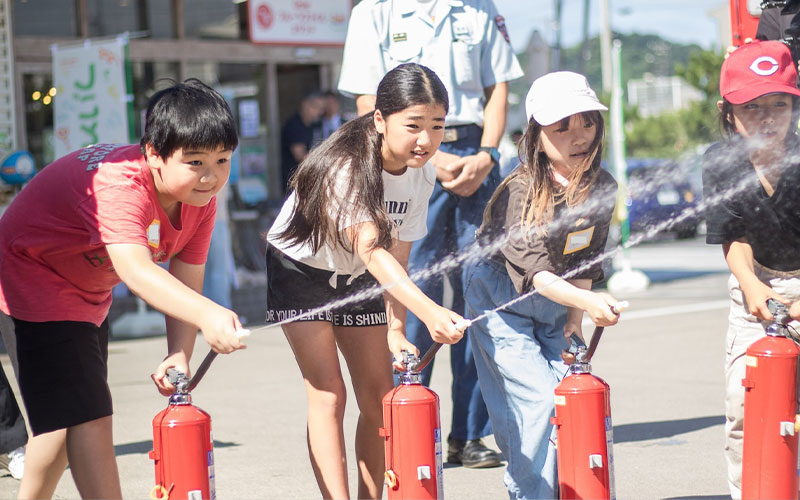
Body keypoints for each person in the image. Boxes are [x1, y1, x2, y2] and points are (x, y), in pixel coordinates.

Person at [0, 78, 246, 499]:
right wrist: (209, 314)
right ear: (153, 153)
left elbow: (186, 271)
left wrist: (179, 353)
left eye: (222, 161)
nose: (210, 177)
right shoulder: (120, 184)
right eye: (195, 162)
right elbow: (136, 271)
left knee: (63, 427)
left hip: (88, 290)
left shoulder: (201, 200)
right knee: (91, 416)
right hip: (33, 274)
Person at [337, 0, 524, 468]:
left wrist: (486, 154)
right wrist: (429, 153)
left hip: (476, 157)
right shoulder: (373, 13)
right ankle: (412, 419)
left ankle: (473, 433)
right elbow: (367, 101)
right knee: (410, 286)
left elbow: (496, 86)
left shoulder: (479, 8)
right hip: (410, 153)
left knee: (480, 293)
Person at [266, 63, 465, 500]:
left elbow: (399, 255)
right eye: (413, 125)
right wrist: (429, 312)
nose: (426, 140)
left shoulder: (423, 173)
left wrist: (397, 329)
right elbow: (372, 248)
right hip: (301, 270)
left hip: (362, 275)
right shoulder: (347, 164)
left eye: (437, 126)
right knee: (329, 393)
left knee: (378, 397)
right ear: (379, 119)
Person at [463, 71, 621, 499]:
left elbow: (588, 256)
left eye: (587, 121)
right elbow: (537, 274)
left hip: (558, 300)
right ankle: (530, 493)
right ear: (536, 136)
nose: (579, 134)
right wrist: (586, 300)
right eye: (562, 126)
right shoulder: (522, 190)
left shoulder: (601, 185)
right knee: (535, 404)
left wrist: (576, 317)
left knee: (573, 396)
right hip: (501, 300)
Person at [701, 40, 800, 500]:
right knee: (746, 404)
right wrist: (752, 285)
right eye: (752, 107)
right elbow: (732, 235)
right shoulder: (720, 163)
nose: (766, 118)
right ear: (728, 112)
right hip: (755, 286)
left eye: (778, 105)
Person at [280, 91, 325, 194]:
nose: (319, 112)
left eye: (321, 109)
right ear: (305, 104)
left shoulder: (316, 125)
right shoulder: (294, 125)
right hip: (294, 183)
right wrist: (325, 157)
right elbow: (300, 156)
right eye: (315, 107)